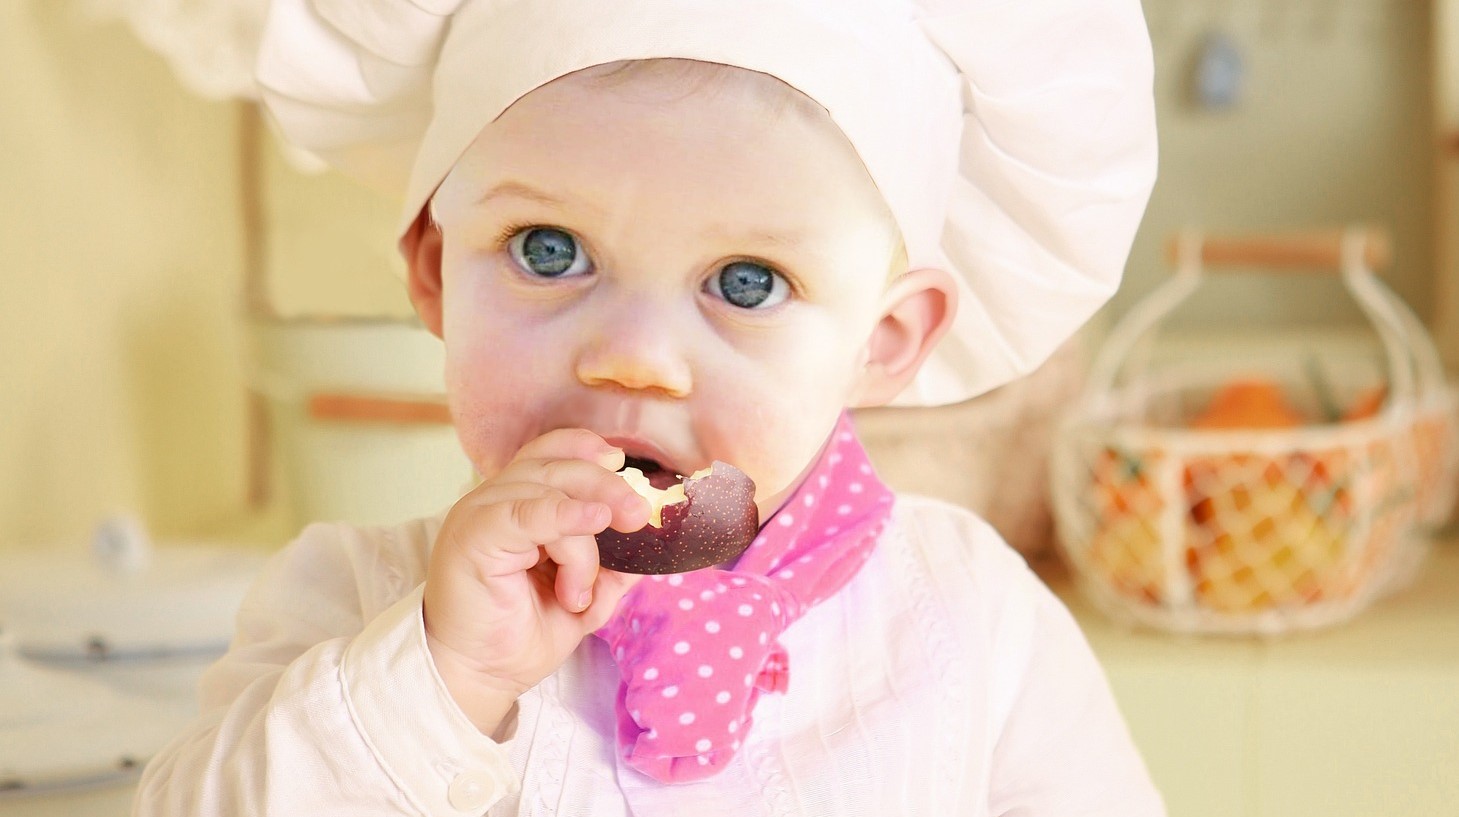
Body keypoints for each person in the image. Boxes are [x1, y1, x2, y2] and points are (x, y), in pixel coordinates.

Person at [135, 0, 1163, 813]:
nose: (634, 360)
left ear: (882, 340)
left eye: (748, 281)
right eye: (549, 251)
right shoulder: (350, 601)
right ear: (437, 274)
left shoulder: (976, 624)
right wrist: (446, 674)